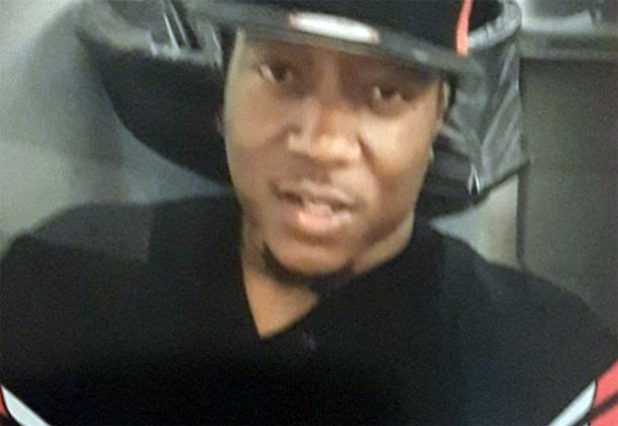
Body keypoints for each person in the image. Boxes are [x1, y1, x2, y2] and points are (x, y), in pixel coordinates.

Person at [1, 0, 615, 424]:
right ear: (224, 91)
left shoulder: (545, 369)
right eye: (281, 72)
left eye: (385, 92)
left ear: (440, 120)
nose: (321, 144)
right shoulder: (60, 293)